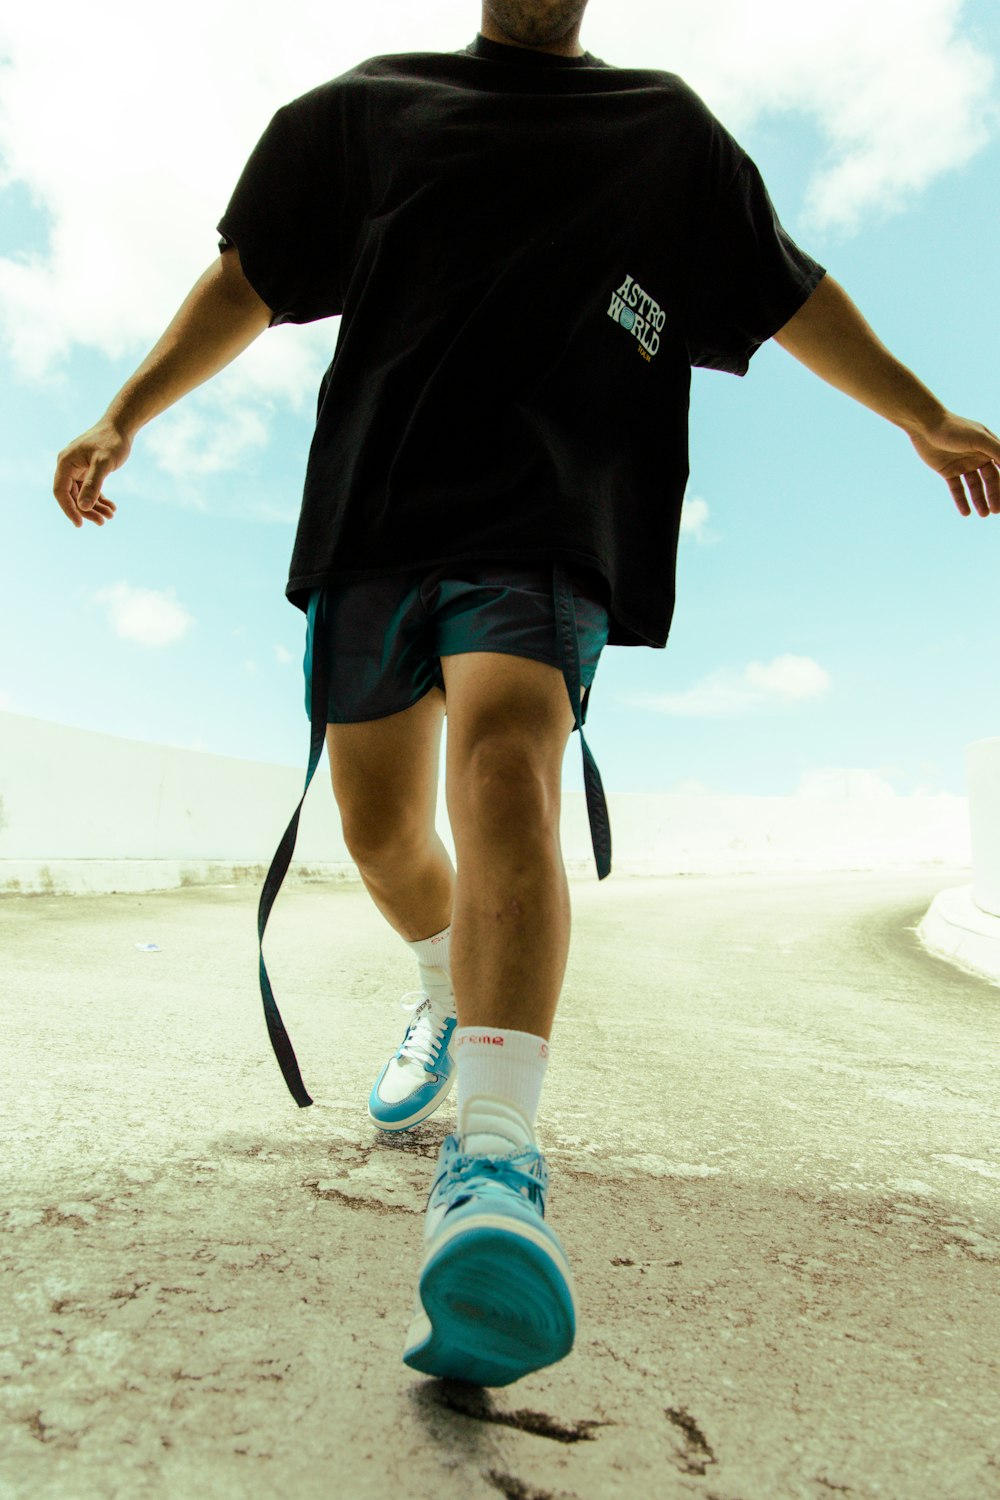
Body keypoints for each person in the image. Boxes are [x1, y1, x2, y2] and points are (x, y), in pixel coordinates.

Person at [52, 0, 1000, 1390]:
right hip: (376, 523)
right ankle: (441, 980)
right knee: (381, 837)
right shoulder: (365, 112)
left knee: (506, 757)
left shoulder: (664, 135)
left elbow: (790, 291)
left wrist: (922, 412)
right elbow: (247, 282)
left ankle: (495, 1165)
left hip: (548, 522)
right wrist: (124, 412)